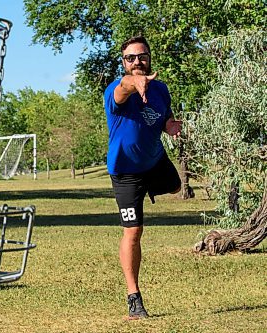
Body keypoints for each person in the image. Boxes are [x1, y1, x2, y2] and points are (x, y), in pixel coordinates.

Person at [103, 36, 182, 320]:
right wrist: (133, 83)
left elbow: (164, 119)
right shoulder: (116, 89)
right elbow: (123, 89)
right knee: (133, 232)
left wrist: (170, 125)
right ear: (124, 63)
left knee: (176, 186)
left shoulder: (161, 89)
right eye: (131, 58)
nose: (137, 62)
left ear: (149, 58)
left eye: (142, 56)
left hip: (155, 161)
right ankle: (134, 298)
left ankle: (153, 188)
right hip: (125, 173)